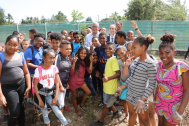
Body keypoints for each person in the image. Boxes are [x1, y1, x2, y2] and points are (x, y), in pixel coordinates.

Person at [115, 35, 157, 126]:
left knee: (145, 121)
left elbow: (152, 84)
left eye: (134, 47)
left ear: (143, 47)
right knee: (132, 114)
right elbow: (132, 77)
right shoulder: (136, 60)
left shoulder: (151, 64)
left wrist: (142, 100)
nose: (132, 50)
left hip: (141, 96)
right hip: (130, 94)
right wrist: (122, 87)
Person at [154, 34, 189, 126]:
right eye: (161, 53)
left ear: (174, 52)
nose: (163, 55)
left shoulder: (181, 67)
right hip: (160, 103)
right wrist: (154, 101)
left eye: (167, 52)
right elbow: (157, 85)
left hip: (174, 107)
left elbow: (187, 90)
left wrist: (180, 112)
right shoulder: (159, 65)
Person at [0, 35, 31, 126]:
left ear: (18, 45)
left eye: (15, 45)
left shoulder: (21, 56)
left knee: (21, 108)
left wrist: (28, 87)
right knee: (14, 113)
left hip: (21, 84)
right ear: (5, 44)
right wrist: (1, 95)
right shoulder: (1, 57)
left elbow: (26, 73)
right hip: (8, 87)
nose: (12, 47)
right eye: (9, 44)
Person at [33, 49, 68, 126]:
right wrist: (40, 100)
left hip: (50, 93)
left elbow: (57, 82)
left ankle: (65, 124)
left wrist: (55, 97)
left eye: (53, 57)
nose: (52, 60)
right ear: (44, 58)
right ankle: (47, 124)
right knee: (44, 111)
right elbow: (35, 86)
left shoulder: (54, 68)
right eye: (50, 57)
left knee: (57, 111)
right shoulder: (38, 70)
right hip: (40, 93)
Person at [89, 42, 121, 126]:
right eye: (106, 48)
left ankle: (101, 122)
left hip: (110, 88)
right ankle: (116, 112)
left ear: (114, 50)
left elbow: (118, 73)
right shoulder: (109, 59)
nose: (107, 50)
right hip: (107, 86)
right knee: (107, 102)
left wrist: (108, 78)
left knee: (105, 105)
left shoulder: (113, 60)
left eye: (110, 49)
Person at [68, 46, 93, 117]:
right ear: (78, 53)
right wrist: (74, 62)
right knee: (74, 96)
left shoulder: (85, 61)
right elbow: (71, 73)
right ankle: (77, 109)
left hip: (81, 81)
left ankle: (82, 104)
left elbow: (90, 71)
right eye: (81, 53)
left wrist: (91, 61)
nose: (83, 55)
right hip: (73, 81)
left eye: (85, 53)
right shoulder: (74, 59)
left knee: (88, 92)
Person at [55, 40, 72, 115]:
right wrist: (60, 86)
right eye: (67, 49)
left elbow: (67, 71)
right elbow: (55, 73)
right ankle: (62, 122)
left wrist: (67, 82)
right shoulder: (57, 58)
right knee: (60, 104)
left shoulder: (67, 58)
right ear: (61, 49)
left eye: (70, 48)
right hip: (58, 85)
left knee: (61, 101)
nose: (69, 50)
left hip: (64, 84)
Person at [116, 46, 130, 123]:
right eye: (118, 55)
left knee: (133, 101)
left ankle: (135, 116)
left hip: (132, 84)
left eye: (122, 53)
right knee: (125, 100)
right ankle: (127, 115)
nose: (121, 56)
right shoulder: (119, 62)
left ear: (126, 51)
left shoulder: (132, 61)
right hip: (123, 84)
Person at [96, 32, 108, 108]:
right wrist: (97, 71)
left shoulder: (109, 47)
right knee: (101, 87)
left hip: (109, 72)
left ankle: (109, 104)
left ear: (106, 38)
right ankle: (102, 101)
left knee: (108, 88)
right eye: (100, 38)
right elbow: (96, 60)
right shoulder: (98, 49)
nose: (102, 39)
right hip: (101, 71)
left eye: (103, 38)